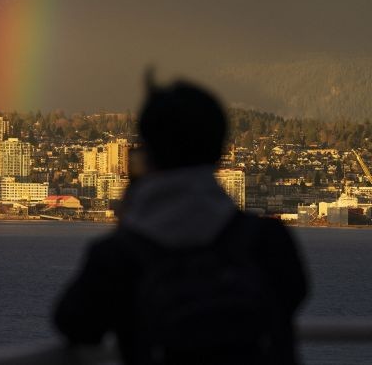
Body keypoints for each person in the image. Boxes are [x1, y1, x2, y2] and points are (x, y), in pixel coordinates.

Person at [54, 78, 308, 364]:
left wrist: (127, 225)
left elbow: (74, 324)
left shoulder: (117, 257)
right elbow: (294, 296)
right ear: (220, 151)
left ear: (147, 154)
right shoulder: (269, 241)